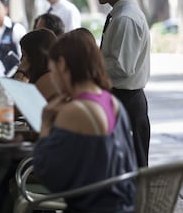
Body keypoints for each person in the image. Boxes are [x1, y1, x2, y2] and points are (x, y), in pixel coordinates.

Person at [33, 28, 137, 212]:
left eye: (52, 70)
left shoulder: (76, 110)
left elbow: (47, 174)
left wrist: (46, 122)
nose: (53, 79)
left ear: (63, 65)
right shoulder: (113, 102)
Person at [94, 0, 151, 167]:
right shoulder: (119, 15)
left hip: (126, 100)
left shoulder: (125, 18)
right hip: (120, 99)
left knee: (130, 169)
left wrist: (91, 64)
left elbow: (122, 67)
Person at [13, 29, 60, 101]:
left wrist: (20, 73)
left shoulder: (48, 79)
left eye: (24, 55)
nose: (21, 60)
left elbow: (17, 105)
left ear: (35, 56)